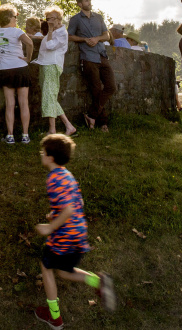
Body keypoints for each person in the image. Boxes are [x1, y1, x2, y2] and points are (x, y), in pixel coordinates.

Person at [33, 134, 116, 328]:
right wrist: (54, 214)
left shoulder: (53, 179)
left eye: (43, 151)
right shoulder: (67, 175)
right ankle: (98, 282)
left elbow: (68, 209)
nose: (40, 154)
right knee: (64, 272)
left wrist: (51, 226)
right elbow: (78, 203)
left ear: (50, 157)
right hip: (78, 234)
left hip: (64, 237)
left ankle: (55, 317)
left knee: (46, 267)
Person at [67, 0, 114, 132]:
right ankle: (103, 123)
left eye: (89, 0)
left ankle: (91, 115)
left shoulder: (98, 17)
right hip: (87, 57)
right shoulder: (75, 19)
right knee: (96, 90)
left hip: (101, 55)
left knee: (111, 86)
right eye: (86, 1)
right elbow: (69, 36)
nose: (89, 2)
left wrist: (97, 38)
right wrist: (84, 39)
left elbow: (107, 35)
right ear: (80, 4)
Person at [0, 4, 34, 144]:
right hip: (21, 68)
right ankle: (25, 135)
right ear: (9, 18)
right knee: (23, 103)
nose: (16, 19)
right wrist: (28, 58)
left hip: (6, 69)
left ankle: (10, 136)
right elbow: (29, 43)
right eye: (15, 17)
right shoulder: (17, 32)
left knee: (10, 104)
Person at [35, 7, 76, 136]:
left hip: (52, 65)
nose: (49, 21)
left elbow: (49, 46)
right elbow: (46, 42)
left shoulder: (62, 33)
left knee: (49, 96)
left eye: (51, 18)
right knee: (50, 96)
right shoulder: (52, 32)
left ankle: (52, 130)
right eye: (47, 19)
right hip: (45, 64)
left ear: (59, 19)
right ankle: (69, 126)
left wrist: (51, 30)